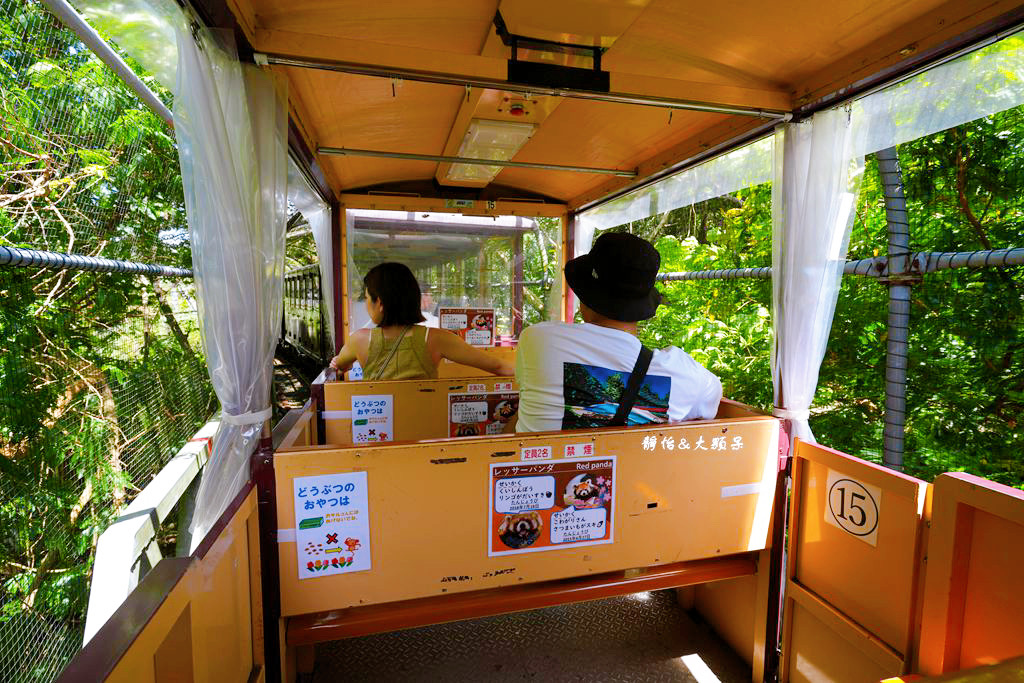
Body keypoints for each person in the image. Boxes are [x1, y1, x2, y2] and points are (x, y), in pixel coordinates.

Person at [515, 232, 722, 432]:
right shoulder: (684, 373)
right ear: (642, 308)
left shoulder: (539, 340)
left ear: (585, 298)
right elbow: (712, 395)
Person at [330, 262, 514, 380]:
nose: (366, 304)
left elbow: (340, 366)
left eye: (367, 298)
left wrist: (338, 363)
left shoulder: (359, 339)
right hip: (427, 430)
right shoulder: (437, 338)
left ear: (381, 303)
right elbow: (498, 366)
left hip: (378, 432)